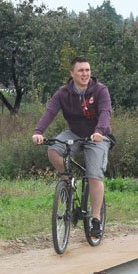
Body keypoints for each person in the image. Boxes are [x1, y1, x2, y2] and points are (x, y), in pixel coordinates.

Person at [32, 56, 113, 238]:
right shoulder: (63, 93)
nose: (85, 74)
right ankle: (67, 181)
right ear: (72, 73)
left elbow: (105, 113)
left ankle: (95, 220)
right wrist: (38, 132)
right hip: (75, 133)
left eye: (87, 70)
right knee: (53, 149)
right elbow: (50, 112)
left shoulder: (100, 90)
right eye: (81, 70)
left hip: (97, 136)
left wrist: (100, 131)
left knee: (94, 175)